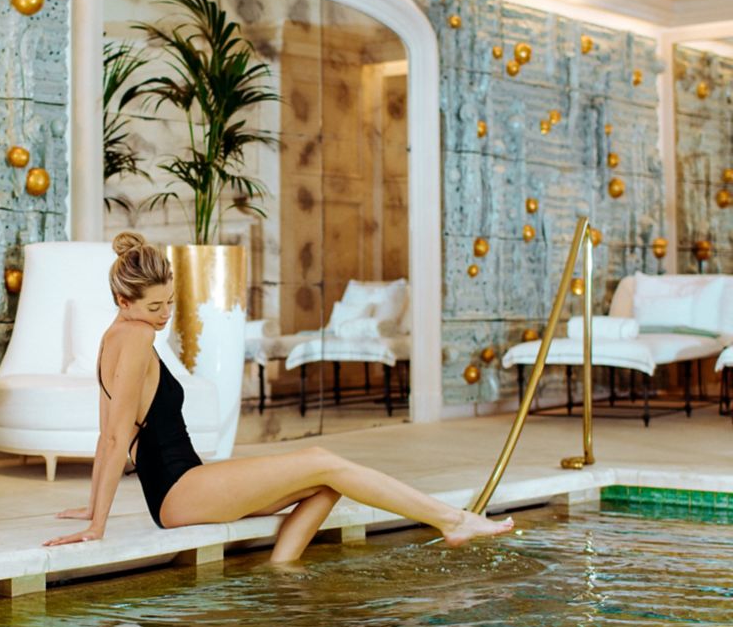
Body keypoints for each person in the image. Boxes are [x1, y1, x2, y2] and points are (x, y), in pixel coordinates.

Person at [45, 232, 514, 561]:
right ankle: (451, 520)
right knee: (323, 460)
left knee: (327, 480)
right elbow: (113, 438)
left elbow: (108, 428)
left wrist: (91, 507)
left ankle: (281, 574)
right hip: (177, 492)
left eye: (170, 301)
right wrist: (96, 526)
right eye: (155, 306)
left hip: (187, 483)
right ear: (123, 300)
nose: (166, 314)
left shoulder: (115, 337)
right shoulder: (136, 338)